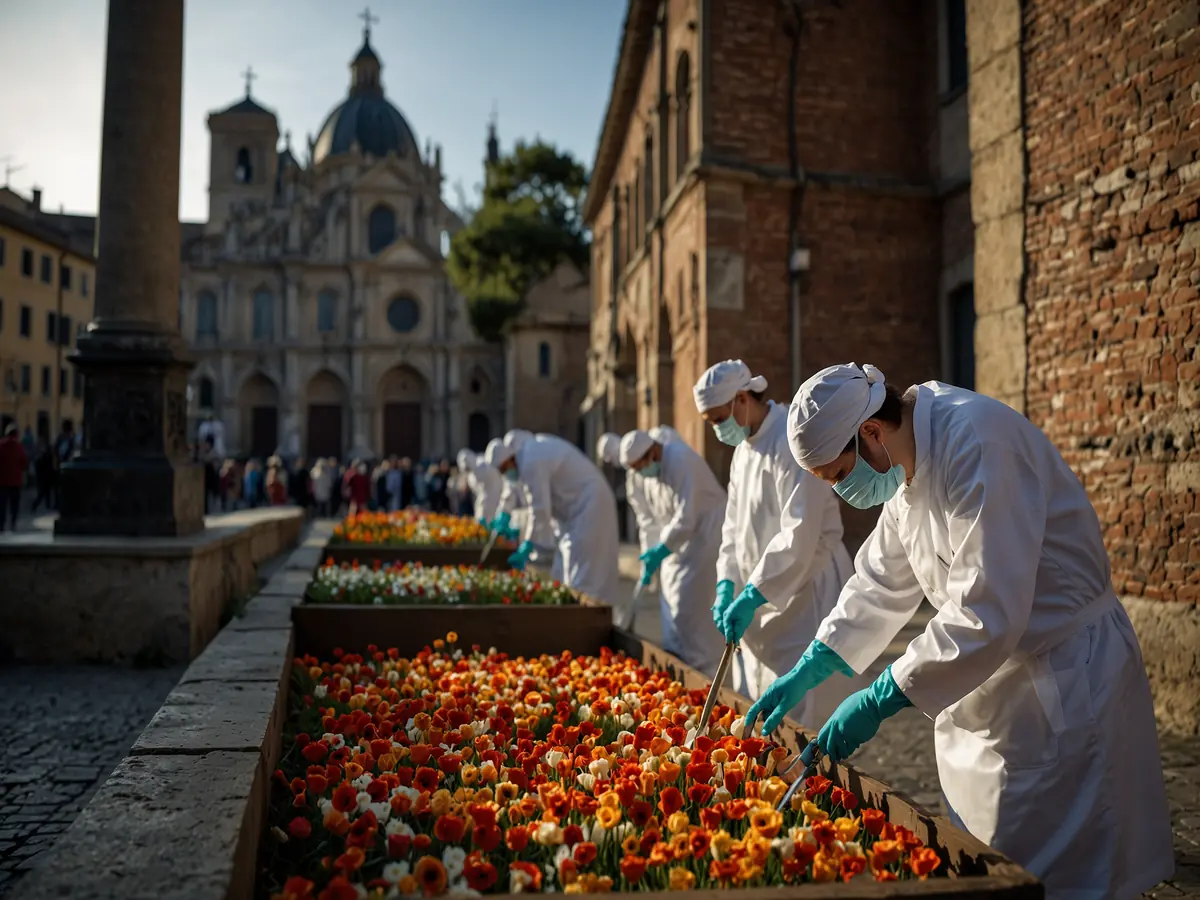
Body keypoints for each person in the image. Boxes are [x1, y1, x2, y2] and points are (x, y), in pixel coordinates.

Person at [750, 362, 1174, 898]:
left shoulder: (977, 442)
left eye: (838, 475)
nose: (842, 490)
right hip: (992, 684)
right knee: (988, 854)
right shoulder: (905, 464)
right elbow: (881, 580)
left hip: (1061, 673)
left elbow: (985, 609)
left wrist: (883, 695)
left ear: (871, 433)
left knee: (1065, 871)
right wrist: (815, 662)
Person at [693, 359, 857, 725]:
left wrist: (753, 593)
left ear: (741, 399)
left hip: (805, 592)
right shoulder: (743, 451)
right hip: (762, 598)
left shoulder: (791, 436)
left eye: (720, 419)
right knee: (758, 703)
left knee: (803, 714)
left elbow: (799, 533)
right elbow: (732, 528)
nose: (719, 429)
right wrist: (727, 585)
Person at [619, 429, 728, 676]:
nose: (640, 473)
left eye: (640, 466)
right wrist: (650, 556)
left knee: (691, 610)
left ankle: (702, 672)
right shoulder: (646, 476)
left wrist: (661, 550)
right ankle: (678, 664)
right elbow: (650, 521)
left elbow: (685, 518)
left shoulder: (681, 460)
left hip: (705, 537)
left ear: (653, 451)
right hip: (677, 543)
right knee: (669, 604)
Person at [486, 430, 620, 607]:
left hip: (589, 507)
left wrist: (528, 544)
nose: (505, 474)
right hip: (573, 513)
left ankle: (585, 624)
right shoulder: (526, 456)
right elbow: (512, 490)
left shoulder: (531, 461)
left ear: (510, 459)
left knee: (584, 575)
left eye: (504, 469)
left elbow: (540, 509)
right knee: (562, 573)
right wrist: (503, 514)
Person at [596, 426, 680, 628]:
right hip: (667, 534)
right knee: (671, 598)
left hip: (685, 527)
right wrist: (649, 554)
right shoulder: (633, 479)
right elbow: (646, 520)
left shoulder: (657, 443)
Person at [0, 423, 28, 531]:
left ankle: (1, 525)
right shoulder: (19, 447)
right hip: (15, 481)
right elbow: (25, 463)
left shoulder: (1, 445)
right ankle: (13, 523)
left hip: (2, 481)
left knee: (2, 505)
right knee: (14, 505)